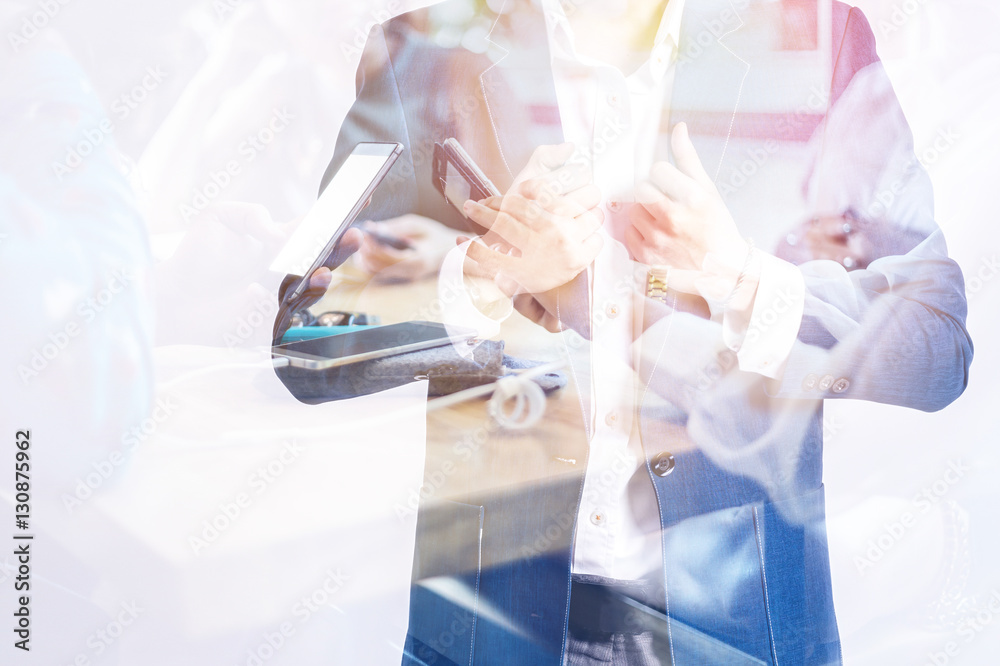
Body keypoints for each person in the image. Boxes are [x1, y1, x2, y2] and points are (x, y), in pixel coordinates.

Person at [274, 0, 973, 663]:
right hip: (495, 629)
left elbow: (937, 345)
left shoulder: (817, 43)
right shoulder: (417, 51)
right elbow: (304, 340)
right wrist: (490, 274)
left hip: (738, 629)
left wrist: (738, 276)